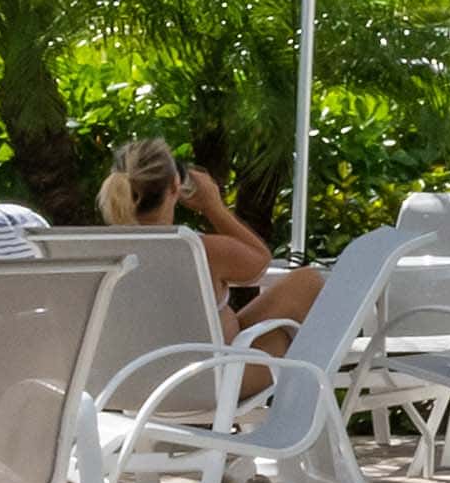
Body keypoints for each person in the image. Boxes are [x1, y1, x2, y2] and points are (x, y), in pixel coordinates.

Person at [96, 137, 329, 350]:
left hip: (131, 385)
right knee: (304, 287)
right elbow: (260, 262)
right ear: (175, 185)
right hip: (210, 383)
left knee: (282, 322)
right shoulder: (197, 251)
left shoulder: (99, 253)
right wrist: (213, 207)